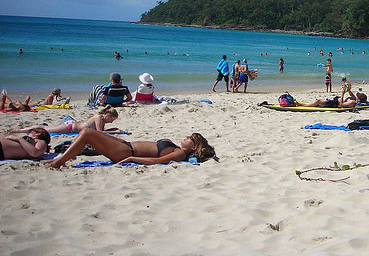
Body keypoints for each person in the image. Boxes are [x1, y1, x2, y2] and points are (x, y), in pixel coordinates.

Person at [46, 129, 217, 168]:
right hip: (125, 146)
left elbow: (155, 161)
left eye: (190, 139)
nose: (186, 137)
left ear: (193, 147)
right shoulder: (177, 149)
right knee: (93, 134)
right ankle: (60, 158)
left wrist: (131, 159)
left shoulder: (179, 153)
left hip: (126, 152)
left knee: (86, 133)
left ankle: (58, 162)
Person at [12, 105, 122, 134]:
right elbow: (100, 132)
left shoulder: (101, 120)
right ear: (107, 115)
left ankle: (23, 129)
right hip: (70, 127)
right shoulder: (98, 118)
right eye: (112, 119)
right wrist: (115, 131)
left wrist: (113, 129)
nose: (111, 122)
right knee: (45, 129)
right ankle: (21, 130)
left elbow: (101, 132)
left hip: (73, 126)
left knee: (46, 128)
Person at [297, 92, 368, 108]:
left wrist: (342, 94)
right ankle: (306, 104)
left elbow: (341, 104)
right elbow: (351, 94)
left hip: (335, 103)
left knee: (318, 101)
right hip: (335, 100)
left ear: (358, 100)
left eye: (357, 97)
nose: (356, 96)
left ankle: (302, 105)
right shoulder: (354, 99)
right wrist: (348, 89)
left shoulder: (352, 102)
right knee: (318, 102)